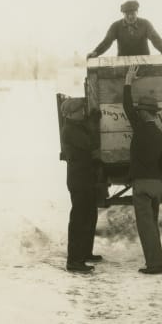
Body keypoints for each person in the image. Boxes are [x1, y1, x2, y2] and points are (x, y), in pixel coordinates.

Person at [123, 64, 162, 274]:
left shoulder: (140, 129)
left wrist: (128, 82)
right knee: (152, 224)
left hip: (141, 184)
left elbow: (126, 106)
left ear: (143, 114)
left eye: (139, 111)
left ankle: (155, 265)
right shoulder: (161, 136)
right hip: (156, 185)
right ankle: (157, 261)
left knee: (146, 227)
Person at [60, 97, 103, 274]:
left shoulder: (76, 126)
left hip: (85, 177)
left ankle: (85, 253)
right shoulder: (70, 130)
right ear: (70, 114)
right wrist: (93, 123)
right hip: (79, 180)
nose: (82, 113)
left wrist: (90, 121)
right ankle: (74, 261)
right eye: (79, 111)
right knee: (79, 219)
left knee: (90, 215)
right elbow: (91, 143)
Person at [87, 0, 162, 59]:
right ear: (123, 14)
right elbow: (107, 42)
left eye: (133, 13)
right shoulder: (116, 26)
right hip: (123, 61)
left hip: (144, 61)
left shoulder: (145, 24)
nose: (130, 16)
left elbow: (155, 38)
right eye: (127, 14)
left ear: (137, 12)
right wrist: (95, 52)